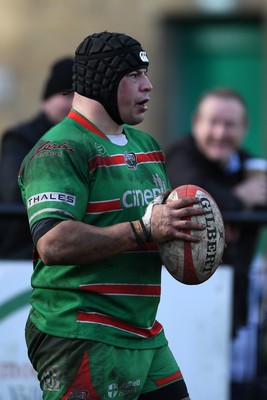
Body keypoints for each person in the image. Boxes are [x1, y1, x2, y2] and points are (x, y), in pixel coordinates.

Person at [18, 31, 208, 400]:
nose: (148, 86)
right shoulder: (60, 148)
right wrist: (145, 228)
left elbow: (159, 233)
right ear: (101, 79)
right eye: (134, 75)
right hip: (80, 332)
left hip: (143, 331)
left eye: (147, 74)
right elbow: (53, 242)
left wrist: (191, 236)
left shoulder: (148, 147)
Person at [165, 87, 267, 338]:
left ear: (244, 127)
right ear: (196, 123)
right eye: (213, 123)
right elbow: (191, 192)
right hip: (184, 304)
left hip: (238, 302)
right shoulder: (181, 155)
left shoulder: (251, 166)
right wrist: (240, 198)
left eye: (230, 124)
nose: (220, 133)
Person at [0, 57, 74, 259]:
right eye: (66, 94)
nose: (73, 103)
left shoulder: (89, 142)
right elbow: (14, 193)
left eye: (80, 96)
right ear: (46, 100)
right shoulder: (20, 138)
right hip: (21, 254)